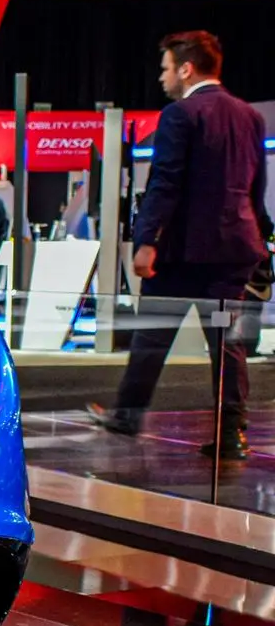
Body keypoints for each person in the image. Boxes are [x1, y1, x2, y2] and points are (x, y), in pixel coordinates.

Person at [87, 30, 273, 459]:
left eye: (166, 68)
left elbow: (165, 183)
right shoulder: (249, 116)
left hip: (181, 253)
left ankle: (127, 415)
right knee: (228, 345)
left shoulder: (179, 114)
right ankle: (232, 433)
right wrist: (260, 238)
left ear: (186, 69)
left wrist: (147, 241)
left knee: (152, 336)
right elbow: (255, 188)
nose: (162, 77)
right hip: (233, 252)